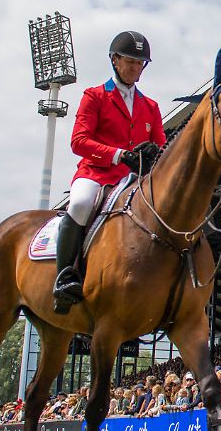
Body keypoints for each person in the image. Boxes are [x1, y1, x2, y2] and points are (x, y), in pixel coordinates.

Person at [54, 31, 164, 311]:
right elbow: (78, 141)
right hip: (97, 174)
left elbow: (162, 147)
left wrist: (157, 155)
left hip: (134, 181)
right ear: (114, 60)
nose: (136, 69)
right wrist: (118, 155)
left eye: (141, 64)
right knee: (79, 204)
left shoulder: (150, 107)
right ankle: (65, 277)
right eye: (130, 62)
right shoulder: (94, 96)